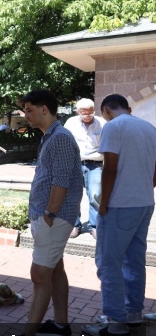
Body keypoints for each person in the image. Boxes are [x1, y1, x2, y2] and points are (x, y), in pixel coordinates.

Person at [2, 89, 82, 336]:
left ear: (44, 109)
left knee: (39, 276)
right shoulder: (52, 136)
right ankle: (60, 325)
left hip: (54, 218)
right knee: (54, 270)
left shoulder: (59, 137)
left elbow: (61, 181)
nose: (25, 115)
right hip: (52, 217)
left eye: (29, 110)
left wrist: (49, 212)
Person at [82, 94, 156, 336]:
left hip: (119, 206)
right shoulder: (149, 127)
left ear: (105, 110)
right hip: (144, 203)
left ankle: (115, 320)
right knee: (134, 260)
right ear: (129, 108)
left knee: (108, 262)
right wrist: (146, 187)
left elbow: (109, 168)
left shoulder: (113, 127)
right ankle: (133, 313)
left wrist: (103, 204)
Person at [64, 98, 105, 239]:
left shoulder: (102, 123)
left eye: (90, 112)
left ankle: (95, 226)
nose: (87, 115)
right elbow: (65, 142)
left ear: (94, 110)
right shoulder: (71, 123)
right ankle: (75, 225)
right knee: (73, 195)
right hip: (75, 163)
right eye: (84, 113)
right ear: (78, 112)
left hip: (95, 164)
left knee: (95, 195)